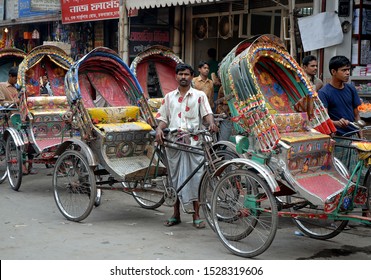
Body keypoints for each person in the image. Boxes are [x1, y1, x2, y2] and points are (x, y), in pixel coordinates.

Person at [155, 63, 218, 229]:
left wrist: (211, 123)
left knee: (196, 178)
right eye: (181, 74)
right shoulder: (169, 97)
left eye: (186, 74)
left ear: (191, 77)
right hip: (174, 144)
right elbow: (163, 118)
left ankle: (197, 214)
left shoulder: (199, 96)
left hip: (194, 143)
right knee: (174, 179)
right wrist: (159, 130)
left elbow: (207, 114)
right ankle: (176, 214)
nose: (183, 77)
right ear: (176, 76)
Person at [318, 55, 370, 218]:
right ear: (334, 72)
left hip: (353, 137)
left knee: (361, 174)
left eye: (349, 70)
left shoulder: (350, 89)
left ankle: (363, 207)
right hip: (339, 139)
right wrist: (336, 122)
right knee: (342, 176)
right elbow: (324, 119)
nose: (347, 73)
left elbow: (356, 114)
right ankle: (341, 208)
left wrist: (360, 133)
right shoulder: (324, 92)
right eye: (344, 70)